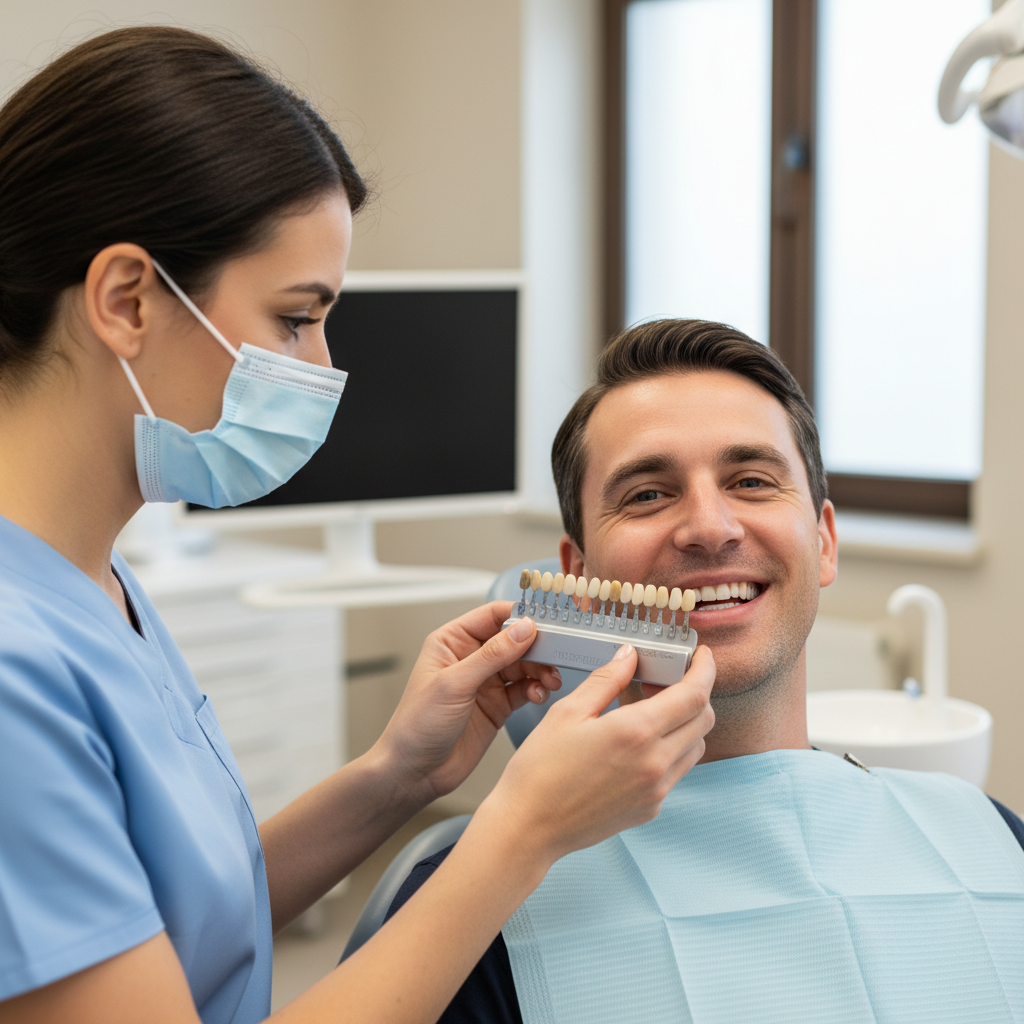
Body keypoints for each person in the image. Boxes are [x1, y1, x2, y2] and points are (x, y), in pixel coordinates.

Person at [0, 29, 719, 1024]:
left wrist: (396, 777)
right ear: (127, 299)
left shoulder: (91, 585)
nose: (324, 360)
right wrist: (522, 832)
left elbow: (173, 920)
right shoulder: (11, 666)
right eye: (297, 316)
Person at [389, 318, 1024, 1024]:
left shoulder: (990, 838)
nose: (710, 527)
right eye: (648, 495)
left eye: (751, 481)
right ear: (580, 576)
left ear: (824, 541)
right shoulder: (473, 914)